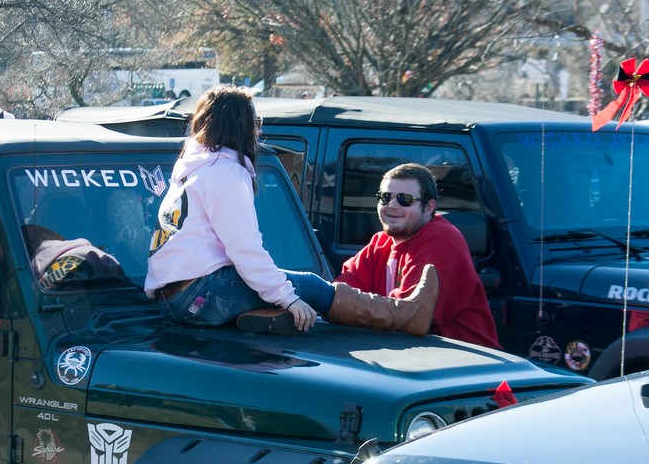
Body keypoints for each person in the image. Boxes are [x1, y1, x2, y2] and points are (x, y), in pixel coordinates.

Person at [145, 84, 438, 336]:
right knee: (309, 286)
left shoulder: (193, 169)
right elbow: (245, 250)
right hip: (203, 293)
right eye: (255, 121)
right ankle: (406, 317)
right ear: (242, 126)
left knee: (290, 285)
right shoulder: (226, 173)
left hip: (173, 299)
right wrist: (288, 298)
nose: (258, 129)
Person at [336, 163, 501, 348]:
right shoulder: (380, 242)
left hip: (466, 367)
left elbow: (408, 315)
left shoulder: (440, 237)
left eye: (404, 199)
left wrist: (332, 300)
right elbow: (343, 287)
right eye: (385, 197)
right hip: (411, 356)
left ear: (429, 207)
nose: (392, 205)